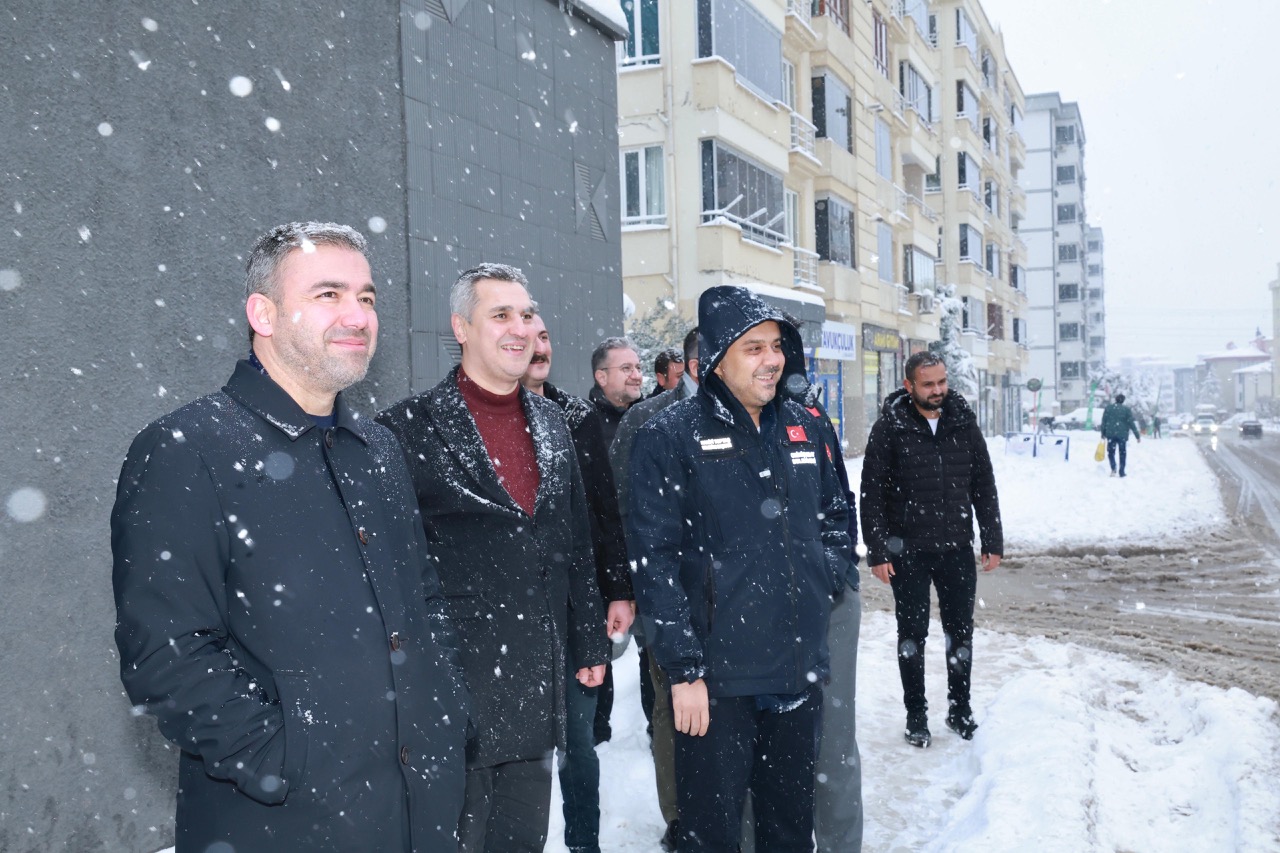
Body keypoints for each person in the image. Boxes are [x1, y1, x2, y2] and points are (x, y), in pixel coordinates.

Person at [111, 222, 469, 851]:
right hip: (280, 823)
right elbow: (167, 653)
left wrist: (445, 706)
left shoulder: (379, 451)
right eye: (329, 294)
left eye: (366, 297)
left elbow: (425, 600)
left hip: (419, 812)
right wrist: (280, 759)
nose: (357, 315)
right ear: (264, 314)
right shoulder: (187, 450)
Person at [376, 264, 607, 853]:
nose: (520, 328)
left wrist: (588, 641)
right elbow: (388, 568)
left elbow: (575, 540)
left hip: (535, 688)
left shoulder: (554, 422)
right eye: (500, 315)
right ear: (462, 327)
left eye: (526, 314)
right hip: (455, 692)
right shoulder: (404, 429)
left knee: (521, 841)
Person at [628, 286, 853, 852]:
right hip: (716, 683)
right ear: (717, 359)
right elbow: (654, 562)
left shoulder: (806, 427)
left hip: (796, 671)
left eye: (776, 346)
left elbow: (837, 513)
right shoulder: (668, 436)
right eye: (754, 348)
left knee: (789, 832)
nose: (771, 360)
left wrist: (824, 572)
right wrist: (684, 672)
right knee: (711, 837)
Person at [521, 312, 635, 853]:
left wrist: (619, 589)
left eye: (544, 336)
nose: (538, 347)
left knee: (578, 742)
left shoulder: (575, 417)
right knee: (514, 752)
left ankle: (583, 842)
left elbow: (604, 512)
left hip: (576, 604)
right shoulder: (472, 420)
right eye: (527, 337)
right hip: (512, 613)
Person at [861, 351, 1003, 748]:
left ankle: (960, 709)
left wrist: (992, 538)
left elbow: (983, 483)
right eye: (928, 384)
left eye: (941, 382)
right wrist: (878, 550)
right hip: (908, 551)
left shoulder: (962, 421)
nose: (937, 390)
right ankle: (916, 715)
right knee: (912, 635)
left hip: (956, 547)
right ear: (909, 386)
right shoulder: (890, 427)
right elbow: (871, 493)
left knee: (960, 633)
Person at [609, 326, 699, 852]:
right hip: (668, 593)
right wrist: (635, 586)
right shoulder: (647, 420)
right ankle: (681, 817)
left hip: (735, 598)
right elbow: (623, 510)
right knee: (671, 703)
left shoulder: (756, 415)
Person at [589, 336, 643, 446]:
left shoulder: (652, 416)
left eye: (638, 368)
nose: (637, 376)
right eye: (626, 368)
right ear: (602, 378)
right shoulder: (585, 425)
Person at [1099, 393, 1141, 477]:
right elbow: (1131, 423)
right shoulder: (1126, 410)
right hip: (1122, 435)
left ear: (1116, 399)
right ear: (1123, 401)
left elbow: (1104, 421)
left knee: (1111, 452)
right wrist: (1137, 435)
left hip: (1111, 434)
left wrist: (1103, 433)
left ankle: (1113, 468)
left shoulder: (1108, 408)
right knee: (1122, 453)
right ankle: (1122, 471)